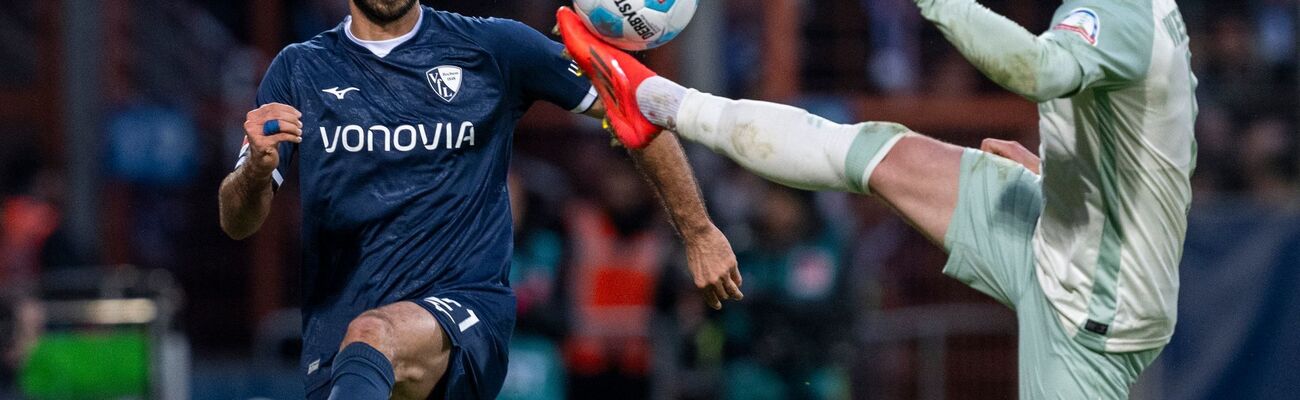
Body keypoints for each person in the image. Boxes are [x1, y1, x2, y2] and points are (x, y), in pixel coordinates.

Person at [556, 0, 1196, 395]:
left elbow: (1035, 71)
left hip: (1092, 321)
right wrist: (1059, 171)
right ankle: (653, 99)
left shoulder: (1119, 13)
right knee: (875, 153)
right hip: (1052, 217)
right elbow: (1135, 136)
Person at [217, 1, 744, 399]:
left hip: (465, 313)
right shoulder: (298, 70)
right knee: (366, 339)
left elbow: (635, 108)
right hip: (340, 344)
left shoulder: (494, 49)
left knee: (373, 333)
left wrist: (698, 230)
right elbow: (237, 222)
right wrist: (257, 173)